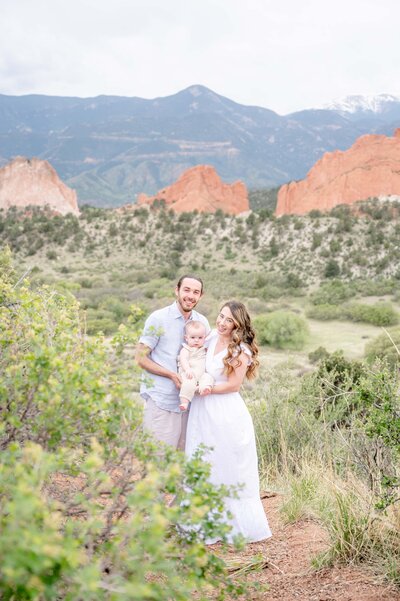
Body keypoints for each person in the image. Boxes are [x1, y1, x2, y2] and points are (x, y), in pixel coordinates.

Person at [185, 300, 272, 544]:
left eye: (229, 320)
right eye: (221, 316)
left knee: (226, 464)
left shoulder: (240, 351)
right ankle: (201, 523)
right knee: (202, 459)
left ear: (238, 325)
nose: (222, 323)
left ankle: (233, 526)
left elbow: (234, 385)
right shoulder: (210, 337)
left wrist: (207, 389)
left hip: (225, 411)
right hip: (202, 410)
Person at [136, 275, 210, 449]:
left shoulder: (203, 323)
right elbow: (140, 357)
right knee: (157, 458)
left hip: (191, 404)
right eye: (186, 290)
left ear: (201, 296)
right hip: (162, 400)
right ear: (176, 290)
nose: (190, 296)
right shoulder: (158, 318)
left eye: (196, 292)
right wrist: (171, 374)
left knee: (184, 460)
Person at [178, 320, 214, 412]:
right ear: (186, 338)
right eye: (193, 337)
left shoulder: (203, 349)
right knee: (188, 384)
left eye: (200, 337)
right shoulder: (186, 349)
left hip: (201, 374)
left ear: (204, 338)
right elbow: (183, 359)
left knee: (208, 377)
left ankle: (205, 388)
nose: (196, 340)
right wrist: (187, 369)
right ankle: (184, 402)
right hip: (190, 373)